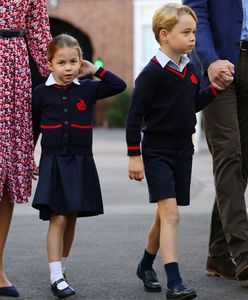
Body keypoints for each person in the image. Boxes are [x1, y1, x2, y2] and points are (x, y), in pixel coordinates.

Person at [126, 3, 233, 299]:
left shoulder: (191, 70)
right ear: (164, 35)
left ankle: (146, 264)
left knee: (165, 214)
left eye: (194, 32)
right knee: (172, 215)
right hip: (157, 152)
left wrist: (214, 89)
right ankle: (174, 282)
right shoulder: (151, 73)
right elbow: (134, 116)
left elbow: (192, 104)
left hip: (182, 152)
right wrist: (134, 155)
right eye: (186, 32)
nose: (193, 38)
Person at [31, 34, 126, 298]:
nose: (69, 68)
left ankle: (61, 266)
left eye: (74, 61)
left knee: (71, 216)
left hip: (81, 160)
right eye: (62, 63)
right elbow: (33, 129)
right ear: (50, 64)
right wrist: (29, 155)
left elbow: (119, 85)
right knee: (58, 216)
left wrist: (95, 70)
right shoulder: (40, 93)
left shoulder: (88, 87)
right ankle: (55, 276)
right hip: (53, 161)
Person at [183, 0, 248, 281]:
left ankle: (218, 256)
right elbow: (197, 14)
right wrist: (208, 60)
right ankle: (244, 253)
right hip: (220, 65)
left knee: (242, 163)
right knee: (229, 154)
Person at [0, 0, 52, 297]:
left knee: (5, 170)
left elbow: (40, 34)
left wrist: (63, 78)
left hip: (15, 69)